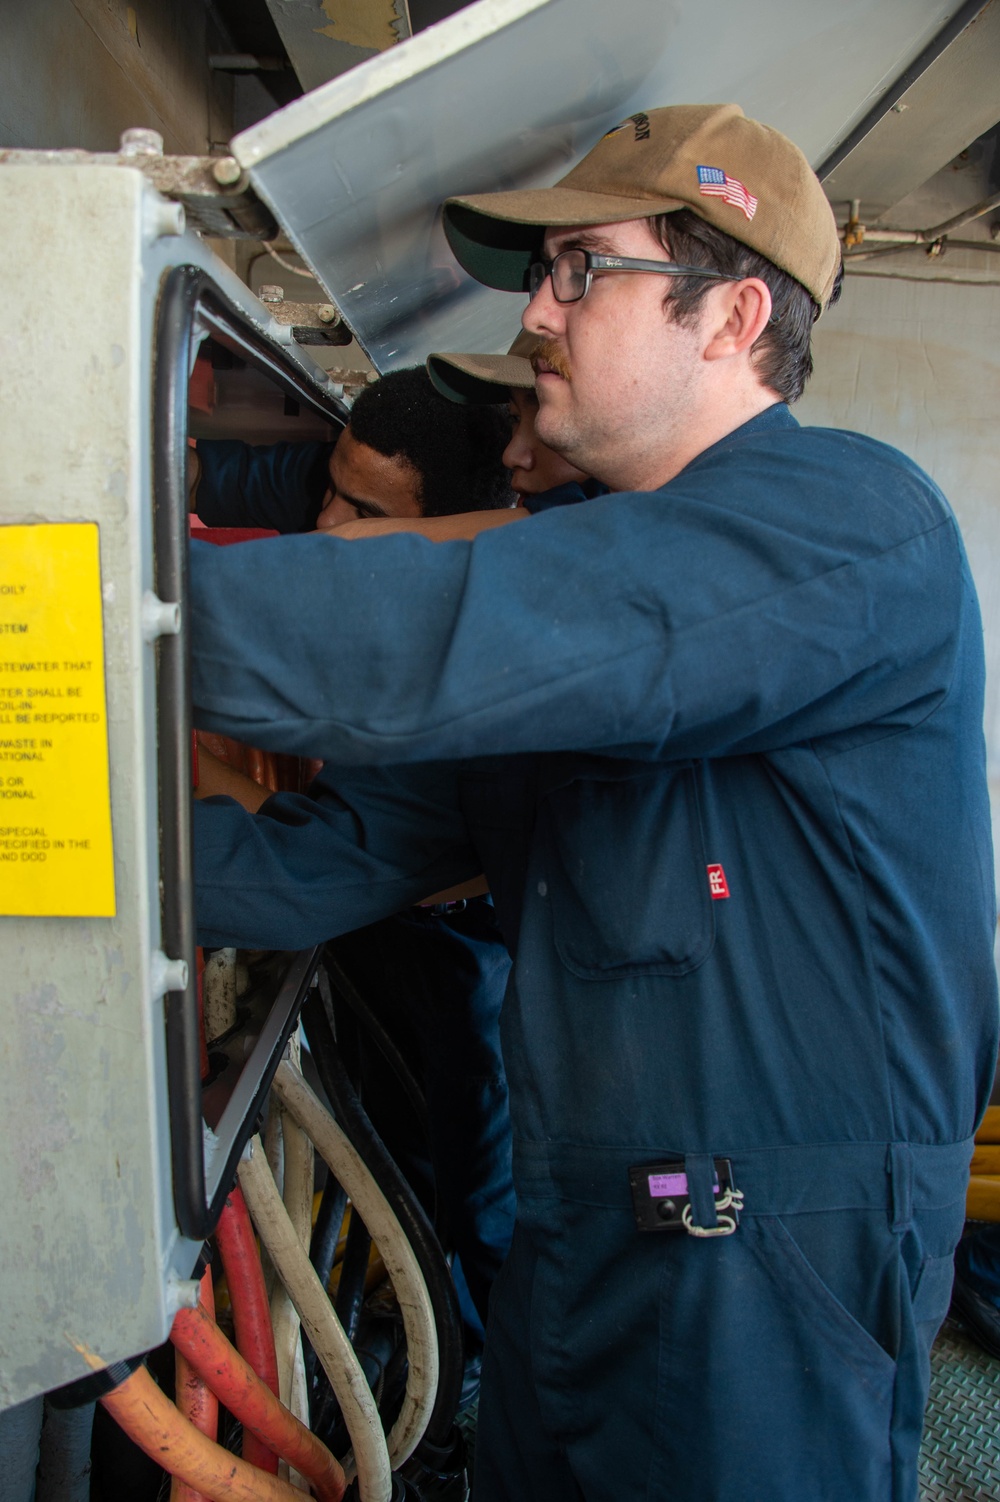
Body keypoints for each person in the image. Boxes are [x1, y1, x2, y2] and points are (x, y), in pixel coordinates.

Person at [188, 104, 998, 1502]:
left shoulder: (853, 522)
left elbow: (456, 628)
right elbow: (319, 857)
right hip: (585, 1238)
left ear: (732, 314)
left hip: (763, 1256)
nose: (540, 314)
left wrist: (92, 615)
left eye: (581, 270)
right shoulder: (586, 621)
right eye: (541, 275)